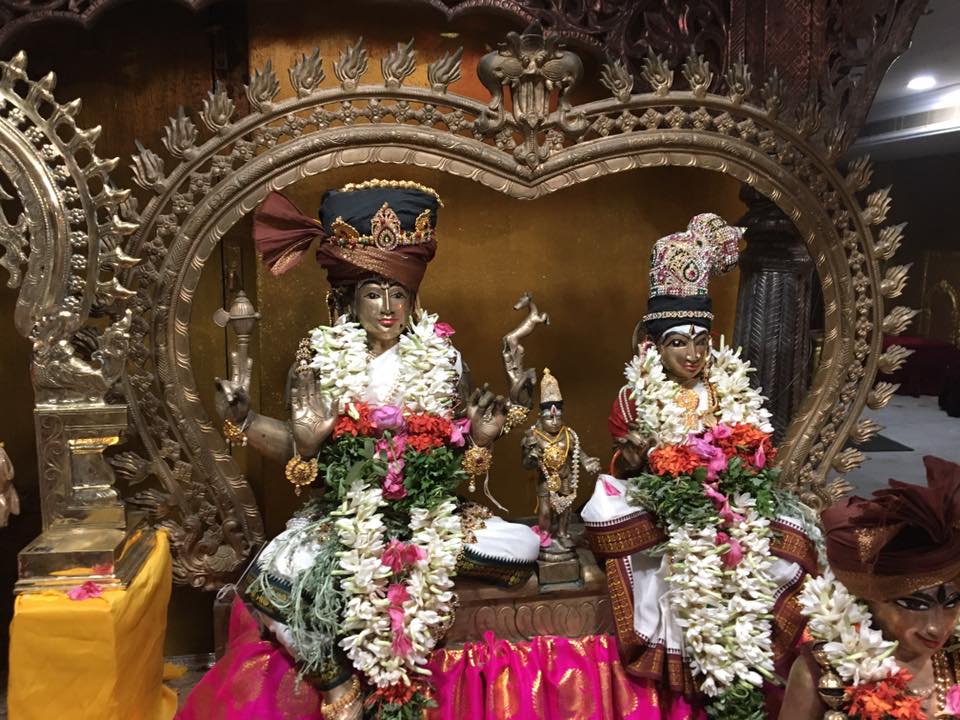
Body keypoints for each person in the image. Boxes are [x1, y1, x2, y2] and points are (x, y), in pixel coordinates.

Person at [179, 180, 540, 720]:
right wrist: (248, 421)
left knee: (522, 548)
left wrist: (484, 436)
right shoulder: (318, 357)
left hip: (429, 512)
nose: (387, 308)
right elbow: (298, 449)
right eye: (373, 293)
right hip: (346, 513)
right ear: (350, 298)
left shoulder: (444, 357)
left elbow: (461, 451)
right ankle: (336, 683)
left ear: (414, 298)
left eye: (399, 294)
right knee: (271, 576)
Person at [582, 214, 819, 718]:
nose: (692, 354)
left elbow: (755, 450)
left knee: (791, 542)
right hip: (666, 509)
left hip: (730, 506)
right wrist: (636, 460)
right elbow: (625, 465)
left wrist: (738, 470)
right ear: (652, 347)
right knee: (631, 532)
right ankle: (695, 679)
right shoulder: (635, 397)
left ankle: (745, 669)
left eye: (701, 340)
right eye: (678, 342)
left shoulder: (727, 388)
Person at [783, 455, 960, 720]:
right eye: (915, 604)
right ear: (868, 598)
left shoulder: (954, 659)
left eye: (952, 602)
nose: (936, 626)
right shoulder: (824, 671)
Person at [521, 368, 600, 553]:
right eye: (550, 418)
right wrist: (532, 457)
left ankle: (563, 534)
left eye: (558, 417)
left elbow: (580, 453)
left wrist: (587, 462)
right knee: (545, 511)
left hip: (565, 476)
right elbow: (526, 465)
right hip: (546, 479)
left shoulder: (568, 434)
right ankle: (545, 534)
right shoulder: (533, 437)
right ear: (541, 417)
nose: (555, 422)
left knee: (565, 509)